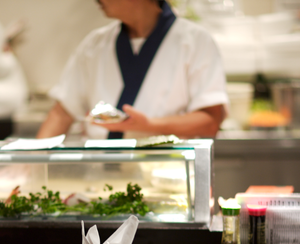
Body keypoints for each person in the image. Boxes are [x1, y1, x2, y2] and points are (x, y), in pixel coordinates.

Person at [37, 0, 229, 140]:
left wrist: (149, 126)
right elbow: (62, 113)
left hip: (166, 176)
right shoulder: (94, 45)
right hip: (98, 176)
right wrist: (25, 168)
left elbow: (210, 122)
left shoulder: (195, 41)